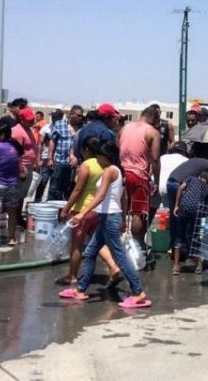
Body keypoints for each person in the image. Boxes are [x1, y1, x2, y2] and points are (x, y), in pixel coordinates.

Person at [63, 141, 150, 308]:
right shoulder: (115, 171)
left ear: (107, 156)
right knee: (90, 252)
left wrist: (82, 214)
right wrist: (123, 218)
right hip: (107, 217)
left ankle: (138, 292)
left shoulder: (110, 171)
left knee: (120, 256)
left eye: (99, 156)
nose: (97, 158)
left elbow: (101, 196)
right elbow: (123, 198)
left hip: (109, 217)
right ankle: (80, 289)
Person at [57, 136, 122, 287]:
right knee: (96, 241)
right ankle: (113, 267)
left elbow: (78, 189)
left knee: (77, 245)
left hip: (82, 209)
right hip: (97, 210)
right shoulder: (106, 165)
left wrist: (66, 209)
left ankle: (72, 276)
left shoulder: (86, 165)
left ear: (86, 150)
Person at [118, 106, 161, 252]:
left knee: (121, 210)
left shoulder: (125, 128)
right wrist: (157, 181)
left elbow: (117, 148)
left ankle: (118, 245)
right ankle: (136, 246)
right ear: (154, 118)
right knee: (137, 212)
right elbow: (155, 159)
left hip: (121, 173)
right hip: (138, 175)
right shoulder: (152, 132)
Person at [0, 123, 25, 248]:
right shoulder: (15, 148)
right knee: (12, 213)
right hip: (12, 185)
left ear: (2, 135)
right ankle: (12, 239)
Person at [172, 169, 208, 275]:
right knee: (198, 237)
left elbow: (180, 188)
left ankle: (176, 266)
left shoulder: (191, 179)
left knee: (179, 235)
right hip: (198, 212)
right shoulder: (207, 187)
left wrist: (177, 205)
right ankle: (199, 266)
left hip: (184, 208)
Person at [11, 107, 40, 220]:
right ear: (21, 119)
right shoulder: (17, 131)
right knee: (16, 195)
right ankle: (14, 218)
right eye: (29, 120)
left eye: (33, 119)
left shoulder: (28, 129)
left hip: (29, 165)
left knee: (22, 195)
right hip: (21, 166)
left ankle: (18, 217)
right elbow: (15, 153)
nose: (32, 121)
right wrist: (21, 169)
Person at [45, 109, 74, 201]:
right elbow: (53, 141)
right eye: (53, 116)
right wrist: (50, 158)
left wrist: (50, 158)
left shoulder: (59, 124)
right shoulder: (61, 125)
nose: (53, 118)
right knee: (59, 188)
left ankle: (58, 208)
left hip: (66, 162)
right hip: (64, 161)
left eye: (55, 116)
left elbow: (52, 142)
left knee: (61, 188)